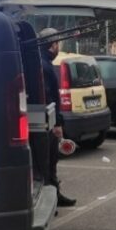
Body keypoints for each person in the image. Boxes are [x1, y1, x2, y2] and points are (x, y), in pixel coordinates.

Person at [39, 28, 77, 207]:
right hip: (47, 121)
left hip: (45, 120)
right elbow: (50, 98)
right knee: (50, 160)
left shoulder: (39, 62)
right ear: (52, 45)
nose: (58, 48)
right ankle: (52, 196)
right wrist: (57, 123)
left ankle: (53, 193)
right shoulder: (45, 66)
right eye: (57, 44)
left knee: (49, 160)